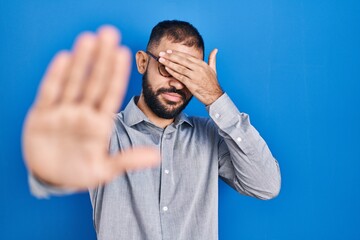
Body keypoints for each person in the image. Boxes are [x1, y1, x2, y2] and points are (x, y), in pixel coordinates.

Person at [23, 20, 281, 240]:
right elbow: (58, 170)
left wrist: (215, 97)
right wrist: (51, 166)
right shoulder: (103, 132)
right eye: (168, 67)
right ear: (143, 62)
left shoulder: (212, 136)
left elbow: (266, 185)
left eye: (189, 73)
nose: (176, 82)